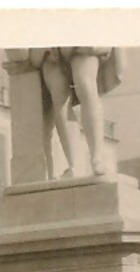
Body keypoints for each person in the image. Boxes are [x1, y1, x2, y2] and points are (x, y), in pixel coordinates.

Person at [29, 47, 123, 178]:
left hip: (80, 40)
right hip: (50, 47)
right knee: (60, 101)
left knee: (85, 85)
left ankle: (97, 158)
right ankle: (74, 164)